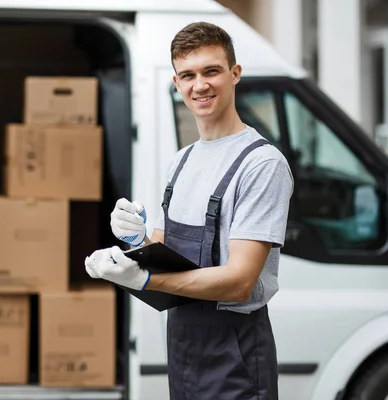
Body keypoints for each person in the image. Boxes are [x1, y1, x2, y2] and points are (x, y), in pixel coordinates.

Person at [84, 21, 293, 400]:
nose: (200, 85)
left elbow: (240, 280)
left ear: (235, 74)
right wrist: (139, 241)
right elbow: (175, 253)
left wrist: (145, 281)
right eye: (188, 75)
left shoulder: (261, 164)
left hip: (238, 362)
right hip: (184, 355)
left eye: (211, 71)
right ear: (177, 84)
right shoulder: (181, 162)